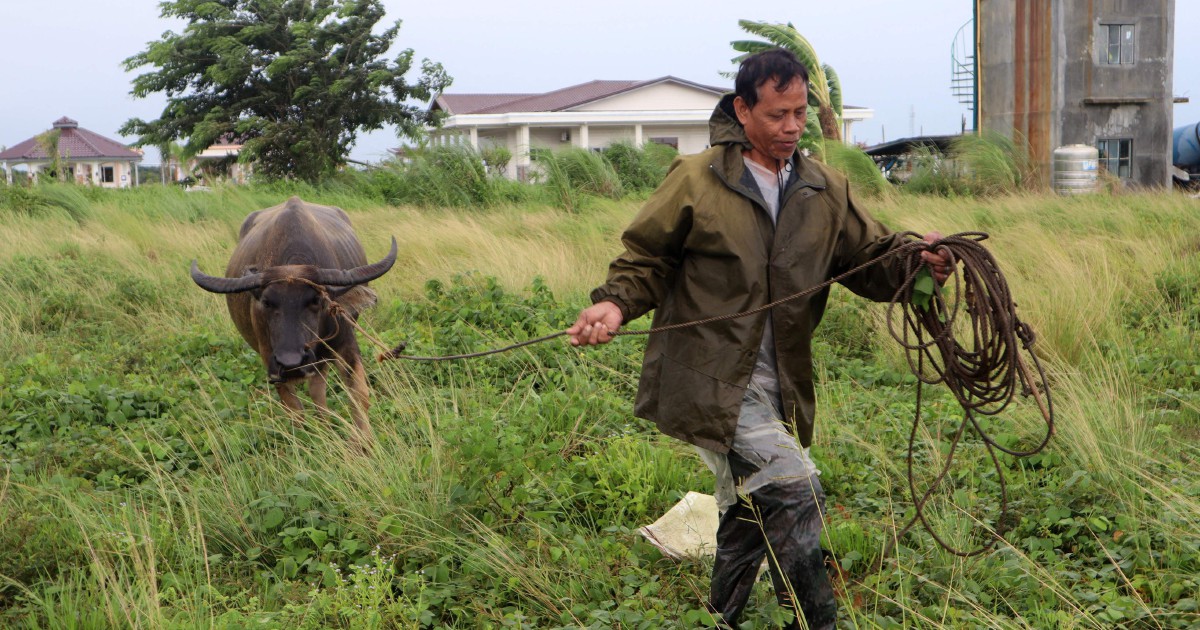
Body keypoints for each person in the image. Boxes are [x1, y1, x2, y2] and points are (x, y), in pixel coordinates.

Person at [567, 47, 953, 629]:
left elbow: (869, 260)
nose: (792, 127)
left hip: (782, 386)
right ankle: (816, 622)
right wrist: (614, 304)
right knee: (795, 489)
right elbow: (646, 258)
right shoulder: (697, 179)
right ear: (742, 110)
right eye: (777, 114)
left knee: (750, 507)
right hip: (710, 378)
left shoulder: (824, 188)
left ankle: (720, 619)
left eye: (799, 112)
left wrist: (917, 266)